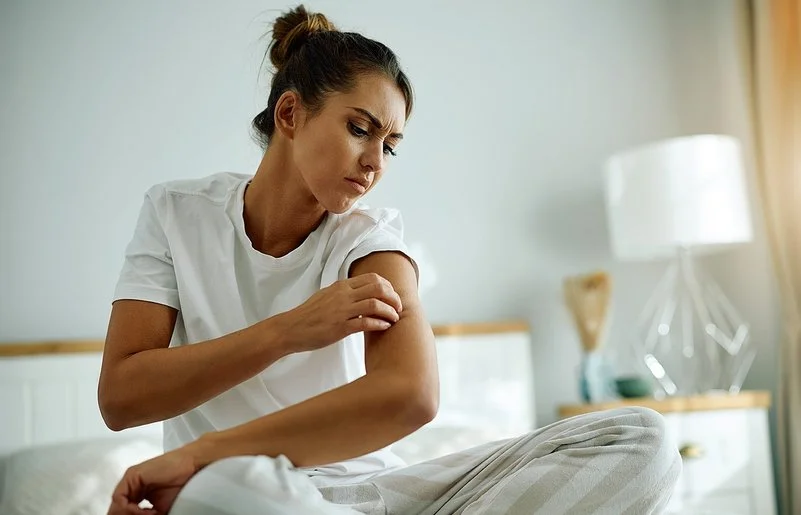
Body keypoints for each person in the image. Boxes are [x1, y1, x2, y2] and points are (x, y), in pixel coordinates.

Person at [100, 5, 680, 514]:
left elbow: (411, 395)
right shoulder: (177, 213)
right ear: (290, 115)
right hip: (253, 493)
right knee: (217, 497)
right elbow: (122, 398)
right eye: (360, 129)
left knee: (643, 440)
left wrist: (197, 454)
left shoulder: (370, 239)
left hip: (381, 492)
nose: (376, 162)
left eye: (390, 146)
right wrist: (287, 332)